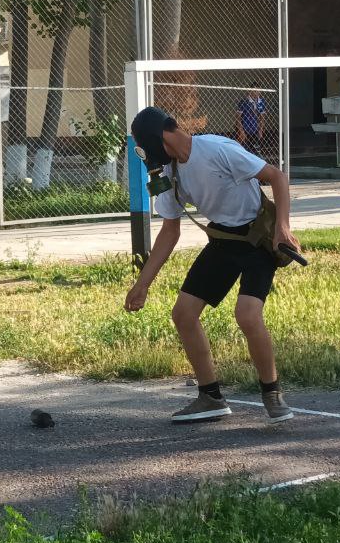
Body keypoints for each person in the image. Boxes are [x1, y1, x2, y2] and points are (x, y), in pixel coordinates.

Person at [124, 106, 301, 424]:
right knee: (183, 314)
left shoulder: (218, 150)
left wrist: (282, 228)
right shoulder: (167, 173)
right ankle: (210, 396)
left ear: (164, 134)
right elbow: (169, 231)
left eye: (154, 150)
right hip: (223, 242)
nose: (157, 160)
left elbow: (276, 176)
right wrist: (143, 283)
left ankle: (272, 393)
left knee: (247, 315)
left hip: (258, 238)